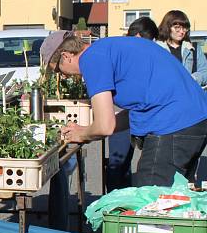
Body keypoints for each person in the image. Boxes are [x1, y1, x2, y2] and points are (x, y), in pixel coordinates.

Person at [42, 31, 207, 187]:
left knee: (152, 200)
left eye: (57, 70)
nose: (62, 76)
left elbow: (104, 126)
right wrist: (87, 130)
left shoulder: (91, 59)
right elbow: (130, 113)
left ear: (66, 56)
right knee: (175, 200)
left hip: (172, 124)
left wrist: (81, 133)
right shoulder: (107, 48)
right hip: (196, 119)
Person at [105, 17, 159, 191]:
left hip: (140, 113)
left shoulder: (140, 53)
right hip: (121, 113)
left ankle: (126, 201)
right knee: (117, 163)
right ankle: (114, 204)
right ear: (138, 37)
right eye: (149, 41)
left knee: (127, 163)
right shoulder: (120, 52)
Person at [156, 10, 207, 86]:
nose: (182, 31)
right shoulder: (157, 49)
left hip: (188, 95)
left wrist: (192, 78)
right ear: (167, 27)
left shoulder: (193, 48)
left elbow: (205, 72)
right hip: (166, 95)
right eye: (177, 28)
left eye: (184, 28)